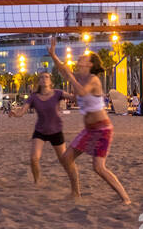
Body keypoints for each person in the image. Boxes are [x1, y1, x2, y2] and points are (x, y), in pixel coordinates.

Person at [45, 44, 130, 203]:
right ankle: (76, 193)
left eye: (84, 57)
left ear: (89, 64)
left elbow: (83, 92)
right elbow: (63, 69)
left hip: (103, 129)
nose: (80, 57)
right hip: (89, 129)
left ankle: (125, 198)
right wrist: (53, 55)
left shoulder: (93, 79)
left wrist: (71, 77)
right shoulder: (79, 76)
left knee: (98, 167)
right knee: (66, 158)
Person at [10, 73, 70, 183]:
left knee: (64, 160)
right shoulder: (33, 97)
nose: (44, 79)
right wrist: (15, 113)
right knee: (34, 158)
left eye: (47, 77)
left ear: (50, 82)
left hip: (56, 131)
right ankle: (37, 181)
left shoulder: (58, 93)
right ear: (39, 82)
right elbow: (22, 111)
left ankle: (72, 179)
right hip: (40, 131)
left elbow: (73, 97)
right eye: (41, 77)